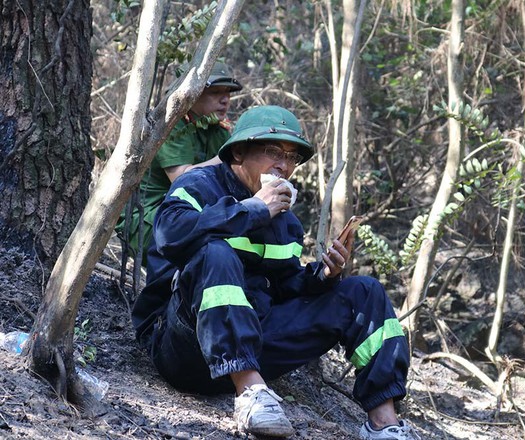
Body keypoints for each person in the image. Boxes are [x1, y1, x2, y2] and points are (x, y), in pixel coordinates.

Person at [131, 105, 420, 440]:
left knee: (363, 291)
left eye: (292, 157)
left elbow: (283, 286)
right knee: (216, 251)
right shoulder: (198, 185)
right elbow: (168, 234)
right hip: (184, 346)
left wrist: (322, 275)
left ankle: (383, 425)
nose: (283, 166)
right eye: (272, 152)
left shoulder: (286, 222)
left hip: (255, 340)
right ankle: (250, 394)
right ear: (238, 151)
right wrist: (251, 209)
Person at [116, 61, 243, 263]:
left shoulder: (217, 130)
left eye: (228, 92)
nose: (225, 99)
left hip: (186, 215)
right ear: (190, 93)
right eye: (216, 92)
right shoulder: (170, 124)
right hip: (149, 221)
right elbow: (182, 177)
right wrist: (228, 156)